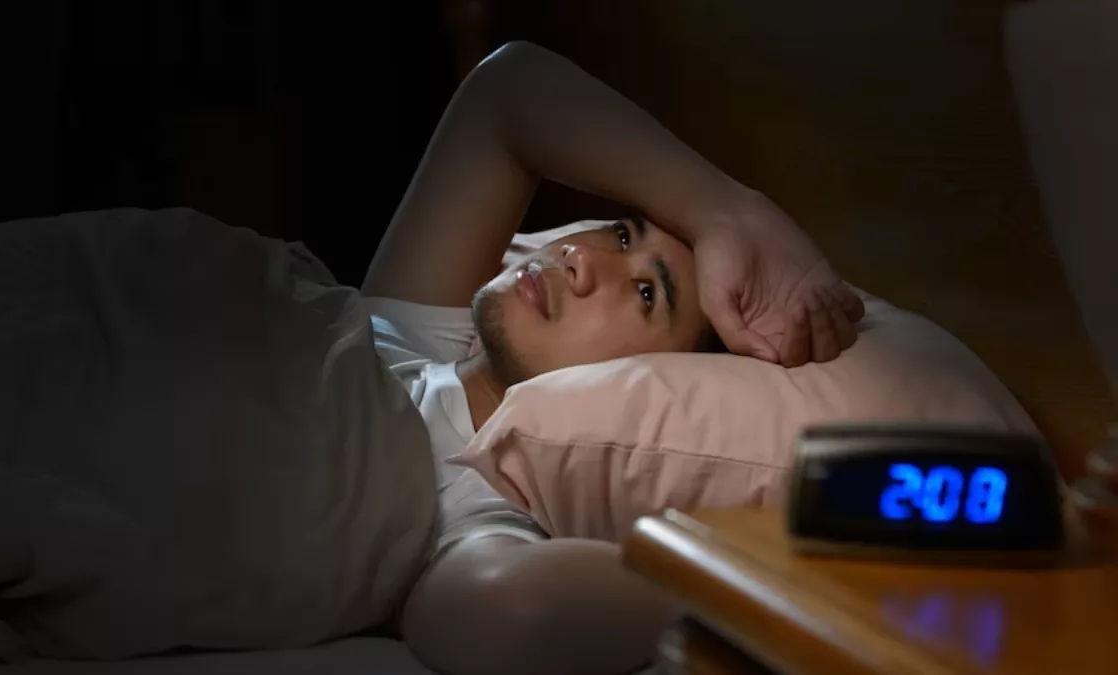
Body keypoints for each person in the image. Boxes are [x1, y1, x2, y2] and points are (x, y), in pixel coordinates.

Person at [360, 41, 865, 675]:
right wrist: (730, 213)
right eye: (623, 235)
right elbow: (507, 90)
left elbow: (506, 609)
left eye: (647, 292)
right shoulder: (409, 332)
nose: (580, 256)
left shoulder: (460, 496)